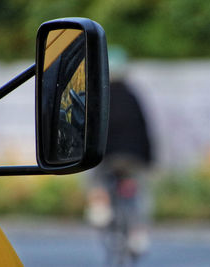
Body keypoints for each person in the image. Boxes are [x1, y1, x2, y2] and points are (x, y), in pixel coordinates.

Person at [86, 46, 153, 266]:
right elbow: (145, 129)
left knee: (95, 178)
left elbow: (90, 130)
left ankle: (100, 206)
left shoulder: (98, 97)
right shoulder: (133, 96)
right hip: (133, 157)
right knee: (138, 194)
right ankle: (138, 233)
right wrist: (149, 159)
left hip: (107, 157)